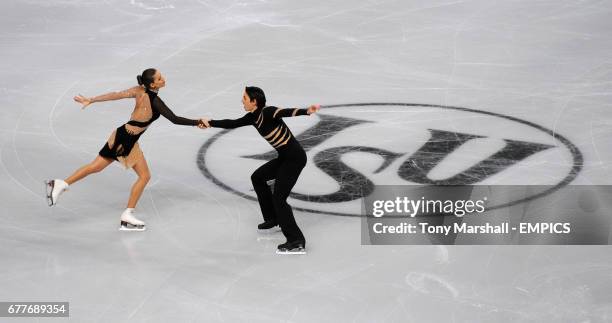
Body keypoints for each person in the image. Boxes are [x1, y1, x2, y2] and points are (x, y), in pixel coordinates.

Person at [46, 68, 204, 231]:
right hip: (127, 140)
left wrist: (92, 100)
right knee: (144, 176)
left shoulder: (139, 90)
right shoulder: (155, 101)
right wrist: (197, 121)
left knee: (97, 167)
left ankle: (60, 184)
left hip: (122, 134)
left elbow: (116, 94)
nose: (163, 79)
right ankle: (127, 216)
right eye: (159, 79)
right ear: (151, 84)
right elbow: (175, 119)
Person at [200, 86, 320, 254]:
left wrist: (306, 111)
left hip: (294, 159)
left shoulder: (268, 112)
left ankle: (296, 241)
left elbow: (285, 112)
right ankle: (273, 218)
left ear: (254, 101)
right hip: (284, 158)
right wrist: (210, 123)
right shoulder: (252, 117)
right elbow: (232, 123)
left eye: (244, 98)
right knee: (258, 178)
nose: (242, 100)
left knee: (279, 198)